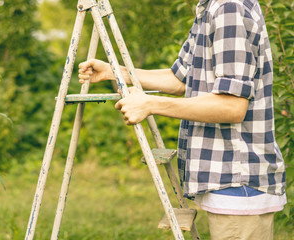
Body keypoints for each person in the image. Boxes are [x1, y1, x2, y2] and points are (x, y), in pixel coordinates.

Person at [78, 0, 286, 239]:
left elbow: (232, 106)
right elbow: (180, 79)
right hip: (229, 180)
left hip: (239, 181)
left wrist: (150, 104)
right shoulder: (209, 7)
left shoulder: (229, 8)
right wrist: (116, 72)